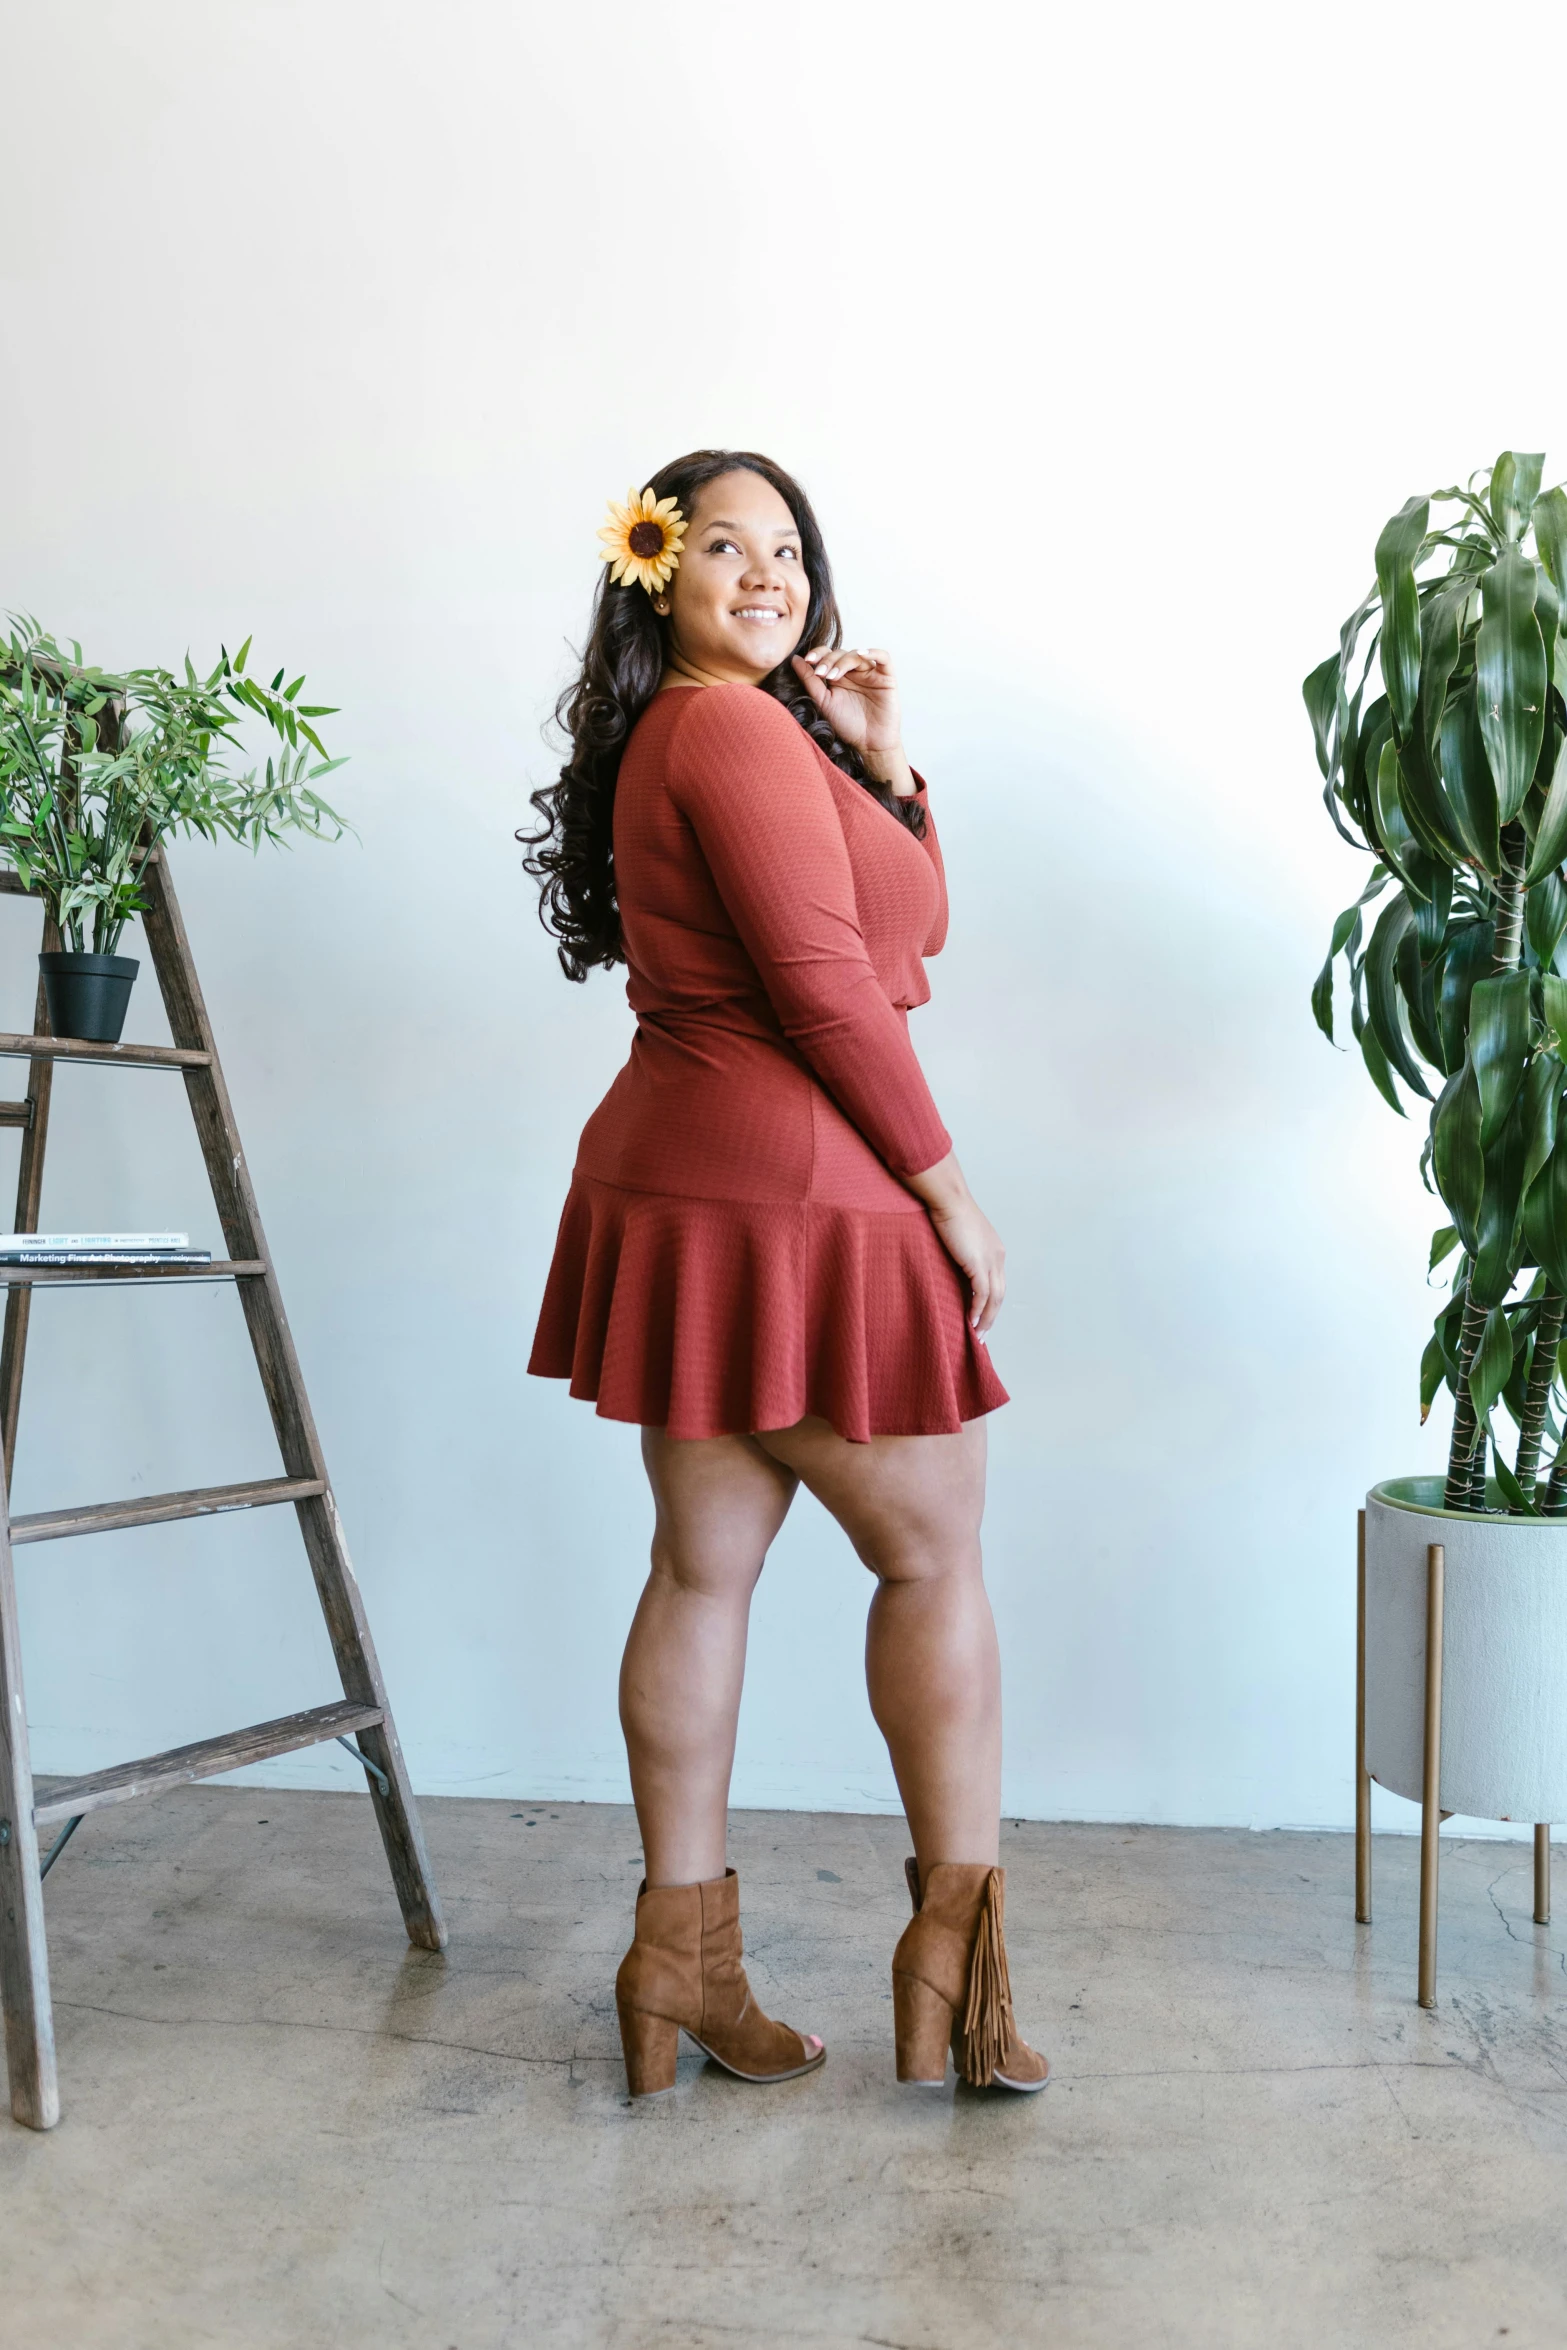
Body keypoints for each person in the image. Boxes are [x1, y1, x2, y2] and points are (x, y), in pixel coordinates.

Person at [524, 449, 1046, 2098]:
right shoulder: (733, 730)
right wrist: (948, 1192)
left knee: (699, 1569)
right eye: (721, 547)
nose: (766, 572)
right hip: (805, 1195)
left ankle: (679, 1963)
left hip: (684, 1185)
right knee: (933, 1559)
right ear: (654, 578)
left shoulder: (716, 733)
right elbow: (835, 991)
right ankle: (955, 1979)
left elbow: (914, 920)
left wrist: (888, 767)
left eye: (788, 547)